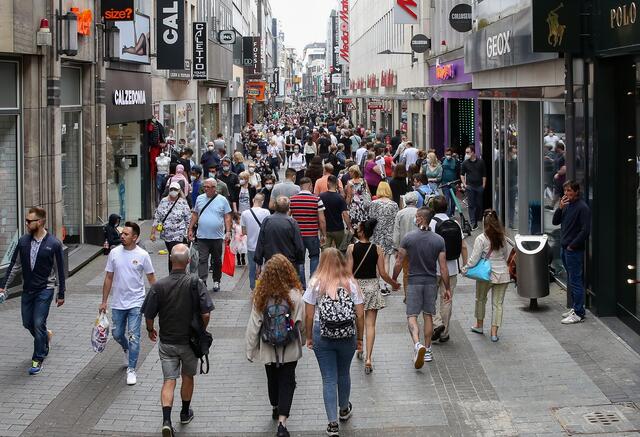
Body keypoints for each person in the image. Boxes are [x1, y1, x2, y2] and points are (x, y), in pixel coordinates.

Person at [141, 244, 213, 437]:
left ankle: (166, 420)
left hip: (167, 342)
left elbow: (148, 315)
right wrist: (201, 330)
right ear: (189, 261)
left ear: (171, 260)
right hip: (189, 342)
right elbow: (206, 313)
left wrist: (150, 329)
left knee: (169, 380)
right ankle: (184, 412)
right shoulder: (196, 282)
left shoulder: (159, 286)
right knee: (187, 377)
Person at [303, 248, 365, 437]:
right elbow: (360, 314)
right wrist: (360, 338)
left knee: (329, 378)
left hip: (322, 334)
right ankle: (344, 409)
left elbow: (308, 313)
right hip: (347, 334)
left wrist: (309, 336)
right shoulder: (351, 283)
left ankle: (332, 424)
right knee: (343, 372)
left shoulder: (315, 283)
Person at [245, 255, 305, 437]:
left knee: (272, 379)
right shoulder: (295, 296)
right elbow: (300, 323)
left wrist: (250, 350)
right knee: (288, 382)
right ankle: (282, 424)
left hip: (269, 348)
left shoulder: (261, 297)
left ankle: (275, 405)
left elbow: (254, 325)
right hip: (290, 348)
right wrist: (302, 341)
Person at [0, 207, 65, 375]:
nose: (27, 224)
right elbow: (14, 266)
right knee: (27, 323)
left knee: (37, 323)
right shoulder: (23, 242)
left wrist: (61, 293)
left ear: (41, 222)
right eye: (26, 221)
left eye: (30, 221)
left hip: (45, 289)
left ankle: (38, 358)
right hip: (27, 289)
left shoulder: (54, 243)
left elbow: (59, 270)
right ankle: (45, 336)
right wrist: (3, 287)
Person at [392, 207, 451, 368]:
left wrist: (393, 280)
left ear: (419, 218)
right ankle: (429, 349)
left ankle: (417, 344)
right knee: (428, 316)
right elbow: (443, 267)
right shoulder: (439, 240)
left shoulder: (409, 238)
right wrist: (447, 288)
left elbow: (399, 261)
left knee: (412, 315)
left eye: (417, 217)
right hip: (431, 282)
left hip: (413, 282)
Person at [99, 221, 156, 385]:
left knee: (134, 337)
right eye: (122, 233)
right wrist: (104, 302)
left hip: (136, 302)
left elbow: (151, 278)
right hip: (118, 302)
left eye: (126, 234)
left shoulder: (143, 255)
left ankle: (131, 369)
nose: (122, 236)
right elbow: (109, 277)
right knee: (117, 334)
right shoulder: (114, 253)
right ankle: (126, 349)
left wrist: (158, 299)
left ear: (135, 237)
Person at [346, 219, 398, 374]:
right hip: (372, 287)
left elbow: (349, 273)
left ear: (361, 231)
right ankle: (369, 358)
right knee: (371, 325)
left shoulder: (351, 248)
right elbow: (382, 273)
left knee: (358, 320)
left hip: (357, 289)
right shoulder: (377, 249)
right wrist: (393, 283)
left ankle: (359, 347)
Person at [462, 209, 511, 341]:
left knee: (480, 299)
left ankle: (479, 325)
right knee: (498, 304)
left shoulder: (481, 238)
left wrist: (465, 269)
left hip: (486, 274)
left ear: (484, 222)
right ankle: (494, 333)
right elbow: (505, 256)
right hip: (503, 274)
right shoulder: (503, 237)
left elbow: (474, 259)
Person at [429, 196, 468, 343]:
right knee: (447, 300)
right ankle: (444, 332)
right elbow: (463, 246)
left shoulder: (431, 223)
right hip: (451, 268)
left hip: (433, 268)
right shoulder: (455, 223)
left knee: (429, 299)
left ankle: (437, 323)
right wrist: (464, 265)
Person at [553, 180, 591, 324]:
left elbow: (585, 230)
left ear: (576, 191)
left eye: (569, 191)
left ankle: (579, 313)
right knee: (571, 279)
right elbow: (556, 222)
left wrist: (572, 245)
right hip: (565, 248)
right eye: (565, 191)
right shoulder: (567, 205)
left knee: (575, 281)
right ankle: (576, 307)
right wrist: (560, 207)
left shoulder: (583, 208)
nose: (567, 193)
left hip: (573, 250)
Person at [188, 178, 233, 294]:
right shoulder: (199, 198)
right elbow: (195, 214)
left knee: (217, 260)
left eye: (208, 187)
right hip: (202, 236)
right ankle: (202, 281)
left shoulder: (222, 200)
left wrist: (228, 232)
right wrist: (190, 228)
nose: (205, 189)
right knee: (202, 260)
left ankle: (216, 280)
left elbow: (227, 216)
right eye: (204, 187)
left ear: (214, 188)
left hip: (217, 237)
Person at [289, 178, 327, 288]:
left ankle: (301, 285)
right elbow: (322, 220)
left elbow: (288, 217)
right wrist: (323, 234)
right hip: (312, 234)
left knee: (299, 260)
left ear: (300, 186)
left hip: (297, 236)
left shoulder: (292, 199)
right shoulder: (316, 199)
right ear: (310, 185)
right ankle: (313, 284)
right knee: (314, 257)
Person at [254, 197, 305, 276]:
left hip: (271, 262)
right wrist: (299, 261)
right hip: (288, 263)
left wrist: (258, 262)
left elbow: (261, 242)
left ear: (275, 206)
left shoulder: (267, 220)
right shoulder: (292, 223)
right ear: (288, 207)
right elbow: (299, 245)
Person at [151, 182, 191, 272]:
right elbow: (157, 217)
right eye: (171, 189)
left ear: (179, 191)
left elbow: (188, 218)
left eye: (175, 190)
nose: (173, 191)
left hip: (179, 233)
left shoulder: (183, 202)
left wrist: (189, 232)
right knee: (171, 254)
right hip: (167, 234)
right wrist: (152, 233)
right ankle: (173, 274)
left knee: (176, 254)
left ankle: (178, 273)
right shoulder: (163, 201)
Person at [367, 182, 398, 294]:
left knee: (376, 260)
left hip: (376, 234)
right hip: (389, 234)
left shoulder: (374, 203)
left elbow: (370, 219)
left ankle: (377, 285)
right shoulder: (394, 205)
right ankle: (385, 285)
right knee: (387, 260)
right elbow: (396, 220)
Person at [241, 193, 271, 291]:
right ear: (262, 202)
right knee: (264, 267)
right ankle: (263, 287)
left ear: (253, 200)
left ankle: (253, 288)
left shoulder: (245, 213)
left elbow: (243, 231)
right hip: (264, 245)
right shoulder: (266, 212)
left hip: (251, 245)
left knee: (252, 268)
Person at [392, 191, 419, 297]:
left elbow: (397, 232)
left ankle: (408, 295)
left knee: (406, 272)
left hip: (403, 247)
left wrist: (396, 247)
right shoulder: (419, 212)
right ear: (416, 201)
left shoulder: (400, 213)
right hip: (417, 247)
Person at [319, 175, 352, 250]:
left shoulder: (321, 196)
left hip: (326, 229)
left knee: (325, 253)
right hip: (338, 229)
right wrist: (350, 227)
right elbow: (345, 214)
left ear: (328, 183)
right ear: (337, 184)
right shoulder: (340, 198)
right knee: (340, 252)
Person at [460, 147, 486, 230]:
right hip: (470, 186)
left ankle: (478, 218)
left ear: (473, 152)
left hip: (479, 186)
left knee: (479, 204)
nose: (467, 154)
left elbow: (484, 174)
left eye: (468, 152)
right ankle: (473, 222)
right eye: (466, 152)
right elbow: (462, 174)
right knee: (471, 204)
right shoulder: (465, 163)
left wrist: (483, 185)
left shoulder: (481, 162)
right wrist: (464, 184)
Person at [441, 148, 458, 216]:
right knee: (446, 198)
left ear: (452, 154)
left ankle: (452, 212)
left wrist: (458, 183)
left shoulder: (456, 161)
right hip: (445, 182)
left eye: (449, 154)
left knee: (453, 200)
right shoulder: (442, 160)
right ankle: (448, 214)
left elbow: (458, 172)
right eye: (446, 154)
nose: (448, 155)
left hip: (453, 182)